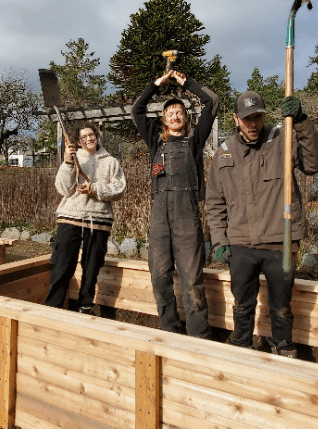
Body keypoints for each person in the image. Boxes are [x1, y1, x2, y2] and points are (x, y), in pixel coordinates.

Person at [206, 91, 318, 357]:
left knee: (281, 305)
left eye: (258, 117)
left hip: (279, 241)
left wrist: (301, 122)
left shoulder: (281, 141)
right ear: (236, 119)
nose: (253, 125)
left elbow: (316, 162)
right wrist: (219, 239)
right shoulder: (224, 153)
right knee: (242, 304)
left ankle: (283, 350)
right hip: (240, 244)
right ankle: (242, 349)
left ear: (264, 117)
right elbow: (214, 203)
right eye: (247, 119)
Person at [132, 69, 219, 338]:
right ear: (164, 120)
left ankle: (199, 336)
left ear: (186, 117)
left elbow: (212, 102)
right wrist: (156, 83)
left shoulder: (195, 141)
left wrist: (185, 82)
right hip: (159, 218)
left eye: (179, 111)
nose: (174, 115)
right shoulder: (155, 141)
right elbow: (137, 110)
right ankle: (169, 330)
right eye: (169, 113)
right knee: (159, 278)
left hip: (186, 216)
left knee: (192, 280)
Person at [45, 122, 126, 314]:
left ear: (96, 137)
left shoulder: (111, 162)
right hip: (70, 217)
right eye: (84, 137)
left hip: (99, 220)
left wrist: (95, 188)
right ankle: (52, 309)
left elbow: (119, 189)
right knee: (62, 265)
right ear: (78, 142)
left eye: (91, 135)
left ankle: (85, 307)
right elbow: (63, 189)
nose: (89, 139)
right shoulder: (72, 159)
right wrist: (66, 163)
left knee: (91, 268)